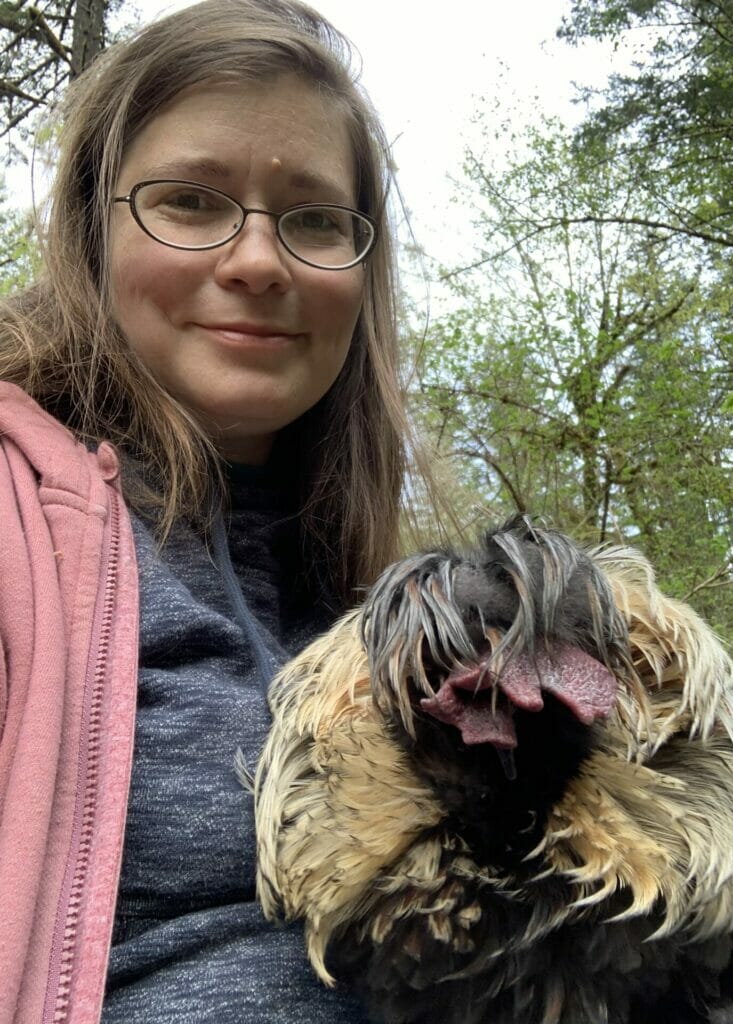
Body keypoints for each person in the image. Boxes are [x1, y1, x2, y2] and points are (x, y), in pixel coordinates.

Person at [0, 1, 429, 1020]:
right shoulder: (13, 528)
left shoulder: (399, 611)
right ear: (87, 234)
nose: (257, 261)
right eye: (190, 201)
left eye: (315, 219)